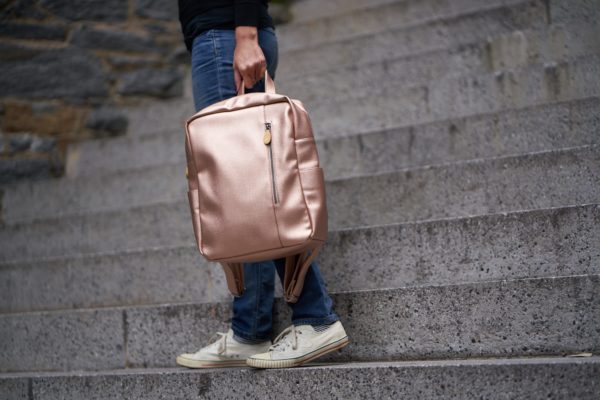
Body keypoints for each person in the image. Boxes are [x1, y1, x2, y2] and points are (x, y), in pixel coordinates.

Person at [175, 0, 349, 369]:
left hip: (226, 37)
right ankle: (250, 330)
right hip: (222, 36)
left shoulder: (233, 36)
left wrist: (246, 35)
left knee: (247, 191)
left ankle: (316, 317)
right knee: (243, 192)